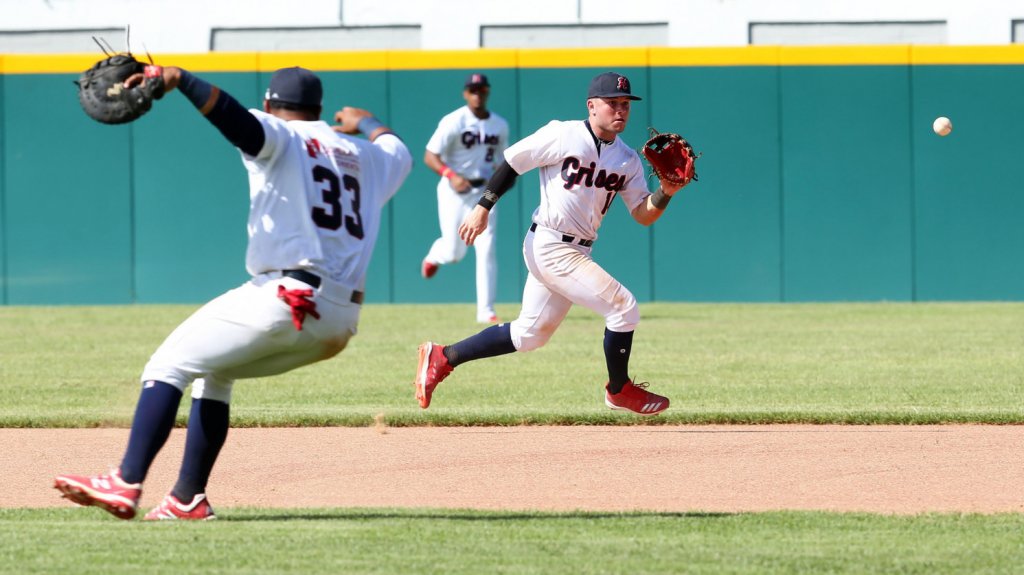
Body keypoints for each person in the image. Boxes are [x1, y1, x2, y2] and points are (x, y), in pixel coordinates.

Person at [54, 65, 412, 520]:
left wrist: (180, 79)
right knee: (214, 373)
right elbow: (397, 147)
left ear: (269, 105)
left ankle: (125, 481)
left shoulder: (281, 136)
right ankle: (188, 499)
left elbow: (233, 120)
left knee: (167, 364)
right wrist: (365, 121)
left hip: (287, 298)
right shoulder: (369, 155)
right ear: (319, 109)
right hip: (340, 322)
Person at [413, 72, 690, 416]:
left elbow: (642, 214)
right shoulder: (564, 134)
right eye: (612, 103)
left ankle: (442, 356)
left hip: (579, 248)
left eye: (625, 104)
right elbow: (512, 162)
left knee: (530, 335)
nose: (620, 110)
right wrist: (483, 206)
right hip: (550, 244)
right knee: (623, 308)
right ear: (591, 106)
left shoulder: (628, 160)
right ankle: (619, 390)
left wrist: (665, 192)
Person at [420, 73, 509, 324]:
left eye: (481, 90)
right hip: (453, 190)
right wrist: (450, 174)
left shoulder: (499, 125)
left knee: (487, 247)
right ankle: (435, 256)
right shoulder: (454, 121)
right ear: (465, 93)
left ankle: (486, 310)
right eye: (472, 90)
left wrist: (499, 185)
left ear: (488, 92)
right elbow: (430, 155)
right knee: (454, 251)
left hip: (484, 192)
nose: (477, 94)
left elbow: (503, 160)